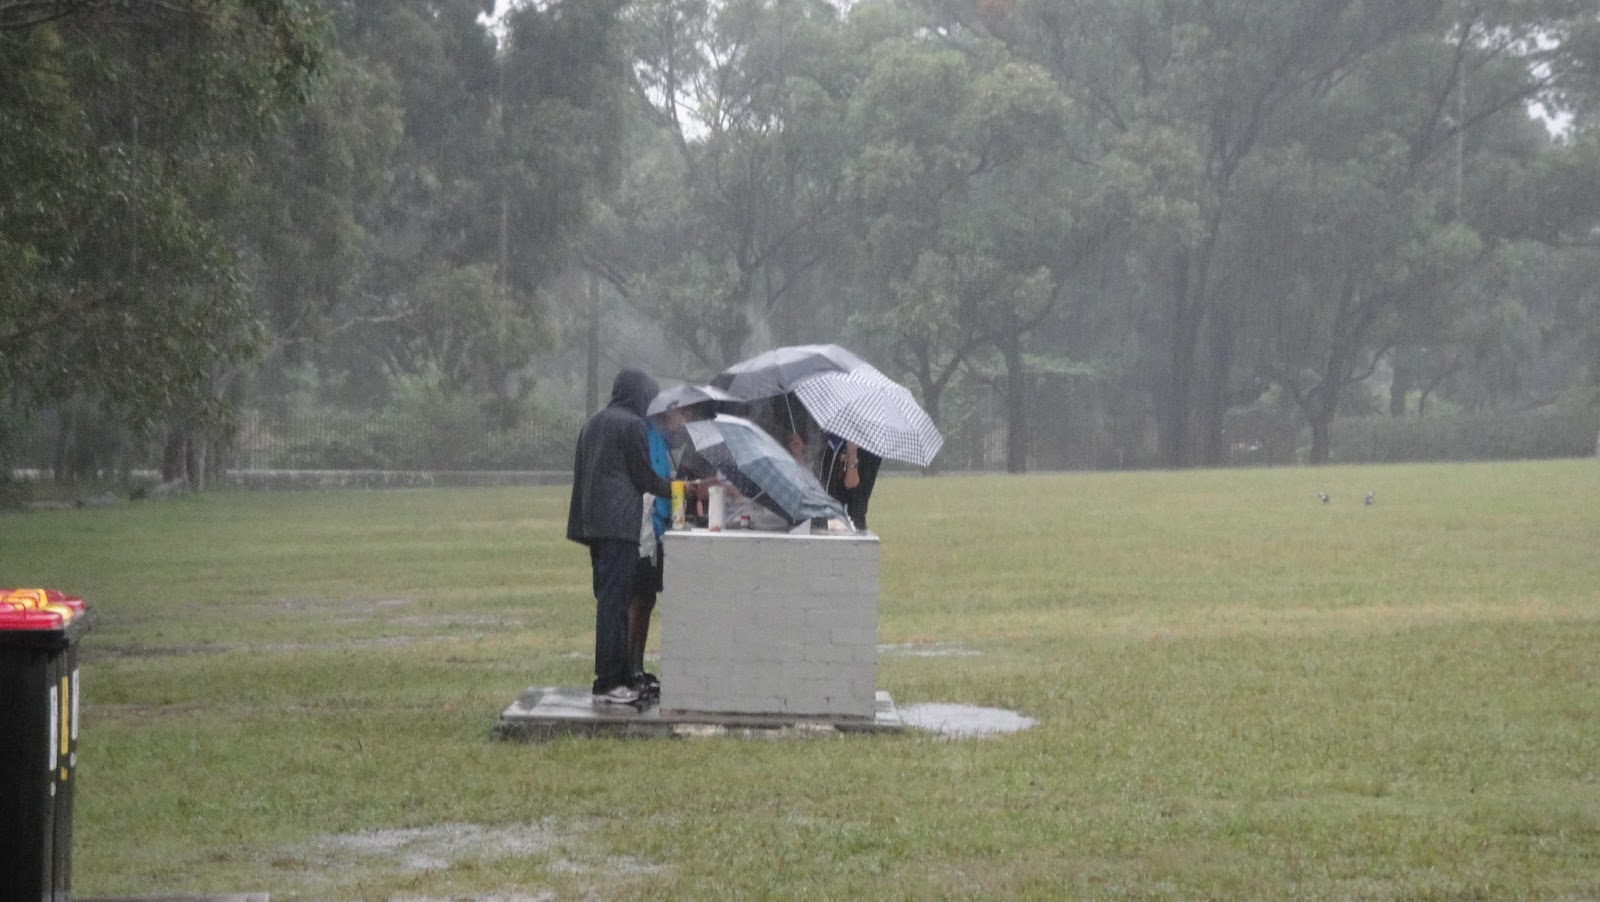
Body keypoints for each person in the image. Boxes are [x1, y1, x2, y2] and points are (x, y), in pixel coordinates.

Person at [567, 369, 677, 705]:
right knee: (615, 605)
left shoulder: (594, 423)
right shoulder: (631, 426)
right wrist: (680, 487)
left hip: (594, 526)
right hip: (619, 527)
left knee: (610, 602)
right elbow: (644, 477)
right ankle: (610, 682)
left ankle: (618, 675)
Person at [627, 399, 718, 699]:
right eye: (685, 414)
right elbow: (652, 481)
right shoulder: (647, 433)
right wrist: (689, 488)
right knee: (640, 599)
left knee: (647, 599)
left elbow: (670, 478)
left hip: (663, 525)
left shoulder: (665, 440)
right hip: (647, 528)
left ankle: (637, 668)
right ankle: (631, 669)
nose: (687, 421)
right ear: (669, 413)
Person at [822, 434, 882, 531]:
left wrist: (852, 455)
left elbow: (853, 485)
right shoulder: (830, 438)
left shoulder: (871, 447)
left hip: (850, 521)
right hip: (822, 516)